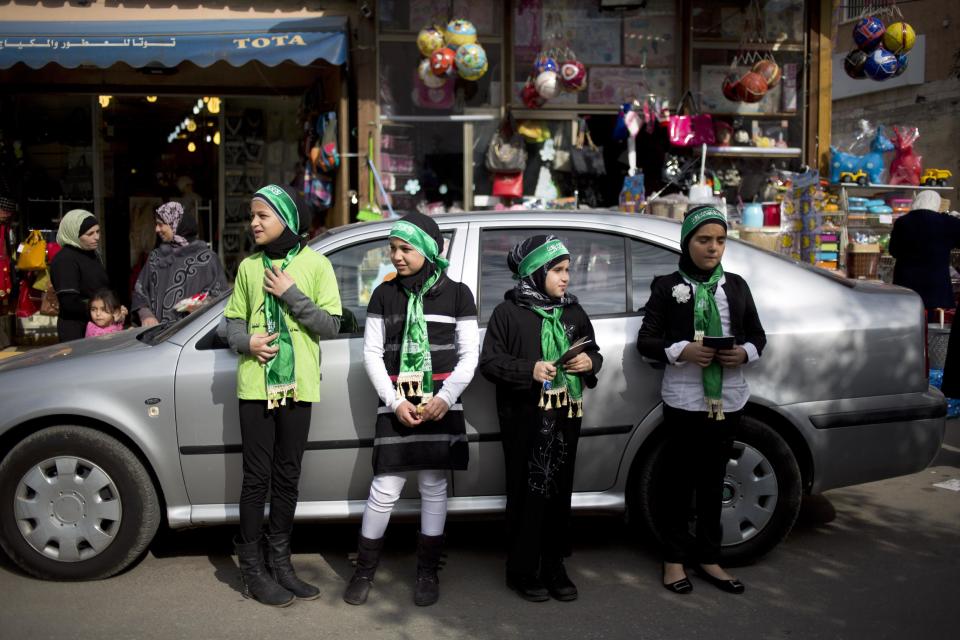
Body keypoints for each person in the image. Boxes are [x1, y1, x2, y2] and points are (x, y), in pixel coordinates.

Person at [343, 213, 479, 608]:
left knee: (434, 486)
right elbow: (371, 353)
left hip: (440, 403)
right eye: (393, 249)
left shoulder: (458, 295)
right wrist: (395, 401)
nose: (397, 257)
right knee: (385, 487)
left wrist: (446, 397)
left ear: (430, 250)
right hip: (398, 403)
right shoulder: (384, 295)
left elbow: (469, 355)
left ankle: (427, 571)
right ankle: (364, 570)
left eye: (406, 249)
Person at [636, 205, 765, 596]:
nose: (713, 248)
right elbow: (647, 341)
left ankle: (709, 556)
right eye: (704, 240)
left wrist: (743, 354)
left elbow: (758, 337)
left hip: (727, 397)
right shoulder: (667, 286)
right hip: (685, 398)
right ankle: (673, 559)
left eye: (720, 241)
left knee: (714, 481)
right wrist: (683, 351)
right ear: (687, 242)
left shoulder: (737, 287)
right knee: (678, 481)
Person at [223, 184, 342, 607]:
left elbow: (331, 325)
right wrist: (247, 342)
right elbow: (230, 324)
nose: (253, 223)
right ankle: (252, 571)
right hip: (256, 387)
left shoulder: (316, 265)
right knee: (256, 479)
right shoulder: (248, 268)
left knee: (288, 476)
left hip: (299, 386)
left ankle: (281, 563)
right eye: (252, 216)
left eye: (263, 216)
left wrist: (291, 293)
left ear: (287, 220)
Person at [478, 235, 602, 603]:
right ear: (535, 271)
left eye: (568, 270)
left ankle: (554, 566)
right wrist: (528, 369)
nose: (566, 278)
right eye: (558, 270)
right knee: (526, 490)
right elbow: (490, 363)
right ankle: (521, 569)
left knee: (559, 490)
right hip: (524, 420)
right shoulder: (509, 314)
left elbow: (592, 349)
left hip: (564, 419)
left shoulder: (574, 312)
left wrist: (589, 362)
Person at [132, 202, 227, 327]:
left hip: (191, 337)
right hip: (156, 337)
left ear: (175, 224)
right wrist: (146, 315)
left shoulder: (207, 259)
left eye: (161, 224)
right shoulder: (156, 257)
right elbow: (140, 291)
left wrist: (202, 304)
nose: (156, 229)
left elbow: (221, 297)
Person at [889, 190, 960, 315]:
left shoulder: (902, 222)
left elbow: (893, 251)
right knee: (935, 323)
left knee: (908, 321)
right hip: (936, 284)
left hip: (906, 283)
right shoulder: (948, 222)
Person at [49, 209, 115, 342]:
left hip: (97, 326)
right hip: (77, 331)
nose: (96, 237)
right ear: (74, 234)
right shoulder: (65, 260)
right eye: (89, 233)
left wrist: (114, 307)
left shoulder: (91, 255)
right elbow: (69, 303)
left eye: (97, 232)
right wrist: (106, 310)